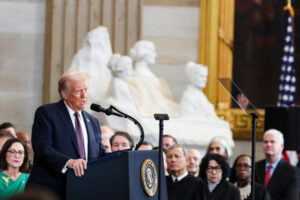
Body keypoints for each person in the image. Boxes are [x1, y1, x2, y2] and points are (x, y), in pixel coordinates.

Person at [26, 71, 106, 199]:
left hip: (82, 190)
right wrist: (68, 162)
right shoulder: (47, 113)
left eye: (86, 89)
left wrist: (126, 154)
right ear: (65, 94)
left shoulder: (93, 122)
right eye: (78, 91)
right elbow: (42, 147)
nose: (84, 95)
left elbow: (100, 154)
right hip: (50, 190)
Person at [255, 129, 300, 200]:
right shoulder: (255, 167)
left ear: (281, 146)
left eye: (272, 142)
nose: (268, 144)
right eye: (265, 142)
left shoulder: (293, 172)